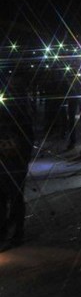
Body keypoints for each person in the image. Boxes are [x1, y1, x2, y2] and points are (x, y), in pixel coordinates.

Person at [0, 71, 34, 247]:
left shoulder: (21, 113)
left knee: (15, 195)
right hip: (4, 160)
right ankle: (4, 228)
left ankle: (18, 231)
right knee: (2, 196)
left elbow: (28, 137)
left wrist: (23, 157)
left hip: (16, 160)